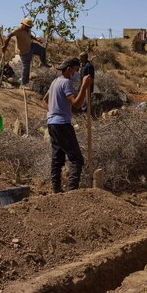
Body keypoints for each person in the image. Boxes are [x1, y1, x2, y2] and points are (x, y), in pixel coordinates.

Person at [42, 57, 92, 194]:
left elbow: (44, 100)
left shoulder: (55, 82)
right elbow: (76, 104)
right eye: (76, 70)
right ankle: (72, 192)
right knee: (77, 159)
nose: (76, 73)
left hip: (52, 124)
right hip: (62, 125)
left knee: (57, 159)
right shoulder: (66, 83)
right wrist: (83, 86)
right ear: (69, 69)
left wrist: (52, 111)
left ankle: (56, 191)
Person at [2, 17, 50, 86]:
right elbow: (8, 36)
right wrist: (4, 47)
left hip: (30, 46)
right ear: (23, 24)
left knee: (42, 50)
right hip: (23, 51)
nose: (28, 28)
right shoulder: (18, 29)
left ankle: (44, 63)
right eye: (27, 26)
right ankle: (24, 83)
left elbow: (30, 35)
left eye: (29, 27)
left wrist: (36, 39)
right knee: (26, 67)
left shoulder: (28, 29)